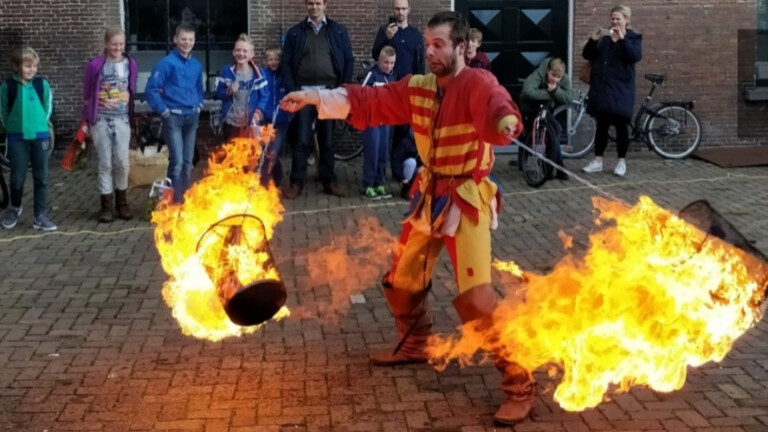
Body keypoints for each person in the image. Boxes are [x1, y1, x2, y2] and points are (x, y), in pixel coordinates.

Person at [280, 11, 536, 426]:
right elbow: (370, 101)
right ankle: (416, 343)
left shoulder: (476, 81)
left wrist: (506, 121)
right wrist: (312, 97)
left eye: (439, 45)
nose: (430, 52)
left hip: (466, 199)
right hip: (428, 194)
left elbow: (496, 105)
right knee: (400, 281)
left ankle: (520, 383)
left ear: (459, 47)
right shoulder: (417, 88)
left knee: (476, 299)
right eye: (427, 45)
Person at [280, 0, 354, 199]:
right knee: (301, 139)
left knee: (327, 140)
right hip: (304, 94)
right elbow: (285, 64)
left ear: (325, 5)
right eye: (310, 3)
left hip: (329, 94)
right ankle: (296, 182)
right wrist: (292, 91)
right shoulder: (295, 33)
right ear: (306, 5)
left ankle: (329, 180)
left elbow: (348, 60)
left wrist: (343, 89)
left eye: (318, 3)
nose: (314, 7)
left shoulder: (338, 31)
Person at [82, 25, 138, 222]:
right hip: (101, 119)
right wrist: (87, 121)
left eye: (121, 44)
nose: (117, 47)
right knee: (105, 163)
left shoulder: (130, 64)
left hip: (121, 118)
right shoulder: (95, 65)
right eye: (114, 44)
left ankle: (122, 203)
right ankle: (106, 207)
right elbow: (88, 95)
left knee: (122, 162)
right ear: (106, 44)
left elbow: (131, 89)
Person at [145, 23, 204, 204]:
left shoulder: (196, 64)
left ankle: (183, 199)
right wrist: (164, 111)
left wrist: (200, 103)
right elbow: (151, 90)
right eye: (183, 39)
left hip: (192, 117)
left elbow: (198, 87)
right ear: (175, 40)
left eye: (190, 39)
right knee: (176, 162)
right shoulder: (166, 63)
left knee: (188, 162)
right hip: (174, 118)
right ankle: (172, 202)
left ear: (194, 41)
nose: (187, 43)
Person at [581, 4, 642, 177]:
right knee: (602, 125)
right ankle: (597, 161)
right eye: (613, 18)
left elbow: (635, 57)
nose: (614, 22)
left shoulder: (633, 38)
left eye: (618, 19)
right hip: (602, 88)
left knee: (621, 125)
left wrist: (623, 39)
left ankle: (621, 162)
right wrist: (593, 40)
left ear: (626, 20)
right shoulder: (605, 37)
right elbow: (587, 55)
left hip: (621, 90)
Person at [0, 46, 56, 231]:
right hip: (17, 139)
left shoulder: (42, 85)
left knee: (42, 177)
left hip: (40, 137)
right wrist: (10, 128)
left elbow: (48, 105)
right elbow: (2, 111)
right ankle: (15, 207)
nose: (31, 69)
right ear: (16, 67)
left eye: (34, 66)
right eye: (27, 66)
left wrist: (43, 123)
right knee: (17, 177)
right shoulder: (7, 87)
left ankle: (40, 215)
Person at [370, 0, 424, 183]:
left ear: (409, 10)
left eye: (403, 8)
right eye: (397, 8)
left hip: (407, 91)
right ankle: (378, 173)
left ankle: (397, 172)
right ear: (393, 10)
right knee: (383, 132)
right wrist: (386, 37)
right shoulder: (385, 30)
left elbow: (419, 63)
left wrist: (420, 87)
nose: (400, 12)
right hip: (386, 89)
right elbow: (375, 54)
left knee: (402, 133)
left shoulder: (415, 35)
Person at [518, 57, 572, 179]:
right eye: (553, 75)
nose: (555, 79)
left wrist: (556, 90)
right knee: (527, 133)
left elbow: (568, 97)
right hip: (529, 105)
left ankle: (549, 165)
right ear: (548, 71)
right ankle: (556, 168)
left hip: (545, 106)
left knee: (555, 130)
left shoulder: (564, 79)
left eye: (558, 78)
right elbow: (528, 90)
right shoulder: (539, 73)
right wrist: (550, 94)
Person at [214, 33, 268, 143]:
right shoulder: (227, 71)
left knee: (250, 157)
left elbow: (264, 96)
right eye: (238, 50)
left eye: (245, 51)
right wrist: (228, 91)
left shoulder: (259, 73)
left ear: (251, 54)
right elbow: (218, 94)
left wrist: (258, 112)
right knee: (233, 158)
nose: (241, 53)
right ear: (233, 52)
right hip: (231, 123)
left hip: (250, 124)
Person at [360, 46, 396, 200]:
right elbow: (360, 95)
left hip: (385, 122)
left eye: (392, 63)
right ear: (379, 61)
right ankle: (368, 185)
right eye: (386, 62)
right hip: (372, 122)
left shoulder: (393, 77)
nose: (388, 66)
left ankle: (379, 183)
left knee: (383, 153)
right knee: (372, 153)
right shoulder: (372, 75)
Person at [260, 45, 292, 187]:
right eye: (270, 59)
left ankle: (267, 182)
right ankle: (276, 178)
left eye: (276, 59)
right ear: (266, 61)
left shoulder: (285, 77)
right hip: (266, 121)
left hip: (281, 121)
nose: (273, 62)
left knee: (273, 151)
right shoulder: (262, 75)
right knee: (266, 151)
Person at [390, 130, 420, 200]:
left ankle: (417, 189)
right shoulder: (404, 142)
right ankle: (406, 189)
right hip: (404, 169)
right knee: (411, 162)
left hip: (415, 169)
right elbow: (395, 161)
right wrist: (401, 177)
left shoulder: (423, 142)